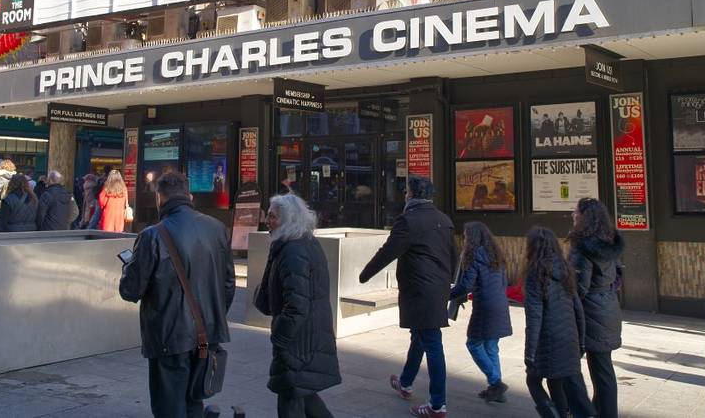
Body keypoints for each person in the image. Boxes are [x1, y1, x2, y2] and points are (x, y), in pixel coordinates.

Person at [119, 172, 236, 418]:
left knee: (169, 406)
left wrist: (128, 267)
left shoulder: (152, 235)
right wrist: (211, 319)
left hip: (168, 337)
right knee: (195, 401)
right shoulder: (217, 229)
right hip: (206, 333)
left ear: (159, 198)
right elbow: (228, 284)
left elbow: (130, 291)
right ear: (189, 196)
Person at [359, 177, 456, 418]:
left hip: (420, 290)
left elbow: (388, 252)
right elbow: (453, 256)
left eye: (406, 192)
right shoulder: (444, 220)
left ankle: (437, 404)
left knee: (432, 342)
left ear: (411, 195)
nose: (404, 195)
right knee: (420, 337)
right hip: (437, 288)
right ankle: (405, 382)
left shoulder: (408, 220)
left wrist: (364, 275)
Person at [255, 193, 341, 417]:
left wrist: (280, 336)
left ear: (287, 219)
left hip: (299, 341)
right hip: (306, 336)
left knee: (291, 395)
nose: (267, 221)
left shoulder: (294, 250)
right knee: (301, 392)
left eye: (272, 217)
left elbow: (297, 304)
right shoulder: (297, 243)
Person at [524, 227, 595, 418]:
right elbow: (578, 308)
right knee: (557, 381)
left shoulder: (534, 274)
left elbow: (534, 317)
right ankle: (564, 413)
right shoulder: (565, 269)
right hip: (569, 337)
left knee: (533, 380)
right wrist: (580, 341)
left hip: (549, 340)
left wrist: (529, 353)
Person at [568, 198, 624, 418]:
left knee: (577, 368)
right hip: (608, 307)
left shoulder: (582, 247)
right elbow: (618, 275)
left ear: (585, 217)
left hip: (591, 313)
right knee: (602, 370)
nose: (572, 215)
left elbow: (577, 287)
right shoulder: (609, 242)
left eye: (575, 212)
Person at [450, 222, 512, 403]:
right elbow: (504, 283)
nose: (465, 239)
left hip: (485, 307)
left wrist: (446, 295)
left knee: (474, 344)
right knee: (491, 347)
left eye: (466, 235)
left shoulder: (475, 255)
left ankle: (496, 382)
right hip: (500, 305)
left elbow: (466, 285)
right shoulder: (496, 256)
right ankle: (496, 390)